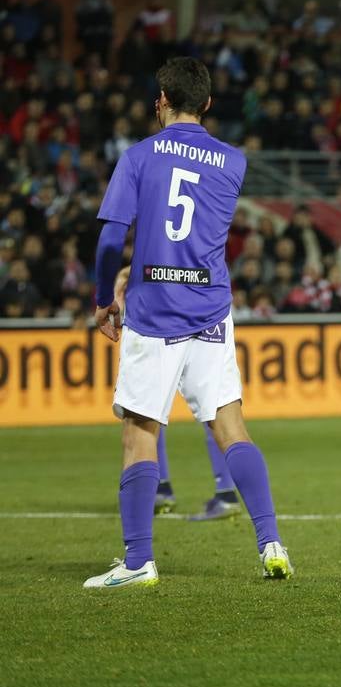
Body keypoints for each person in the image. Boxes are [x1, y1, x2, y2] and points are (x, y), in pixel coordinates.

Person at [85, 57, 292, 588]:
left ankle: (137, 563)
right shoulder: (233, 162)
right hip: (211, 308)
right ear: (206, 105)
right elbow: (194, 230)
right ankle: (271, 543)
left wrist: (102, 296)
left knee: (139, 432)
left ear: (160, 99)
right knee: (231, 427)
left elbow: (111, 238)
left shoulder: (138, 157)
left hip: (154, 307)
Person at [112, 265, 242, 521]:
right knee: (216, 409)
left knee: (146, 410)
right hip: (207, 311)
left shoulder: (157, 233)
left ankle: (161, 492)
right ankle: (224, 494)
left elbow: (159, 260)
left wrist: (128, 275)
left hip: (163, 318)